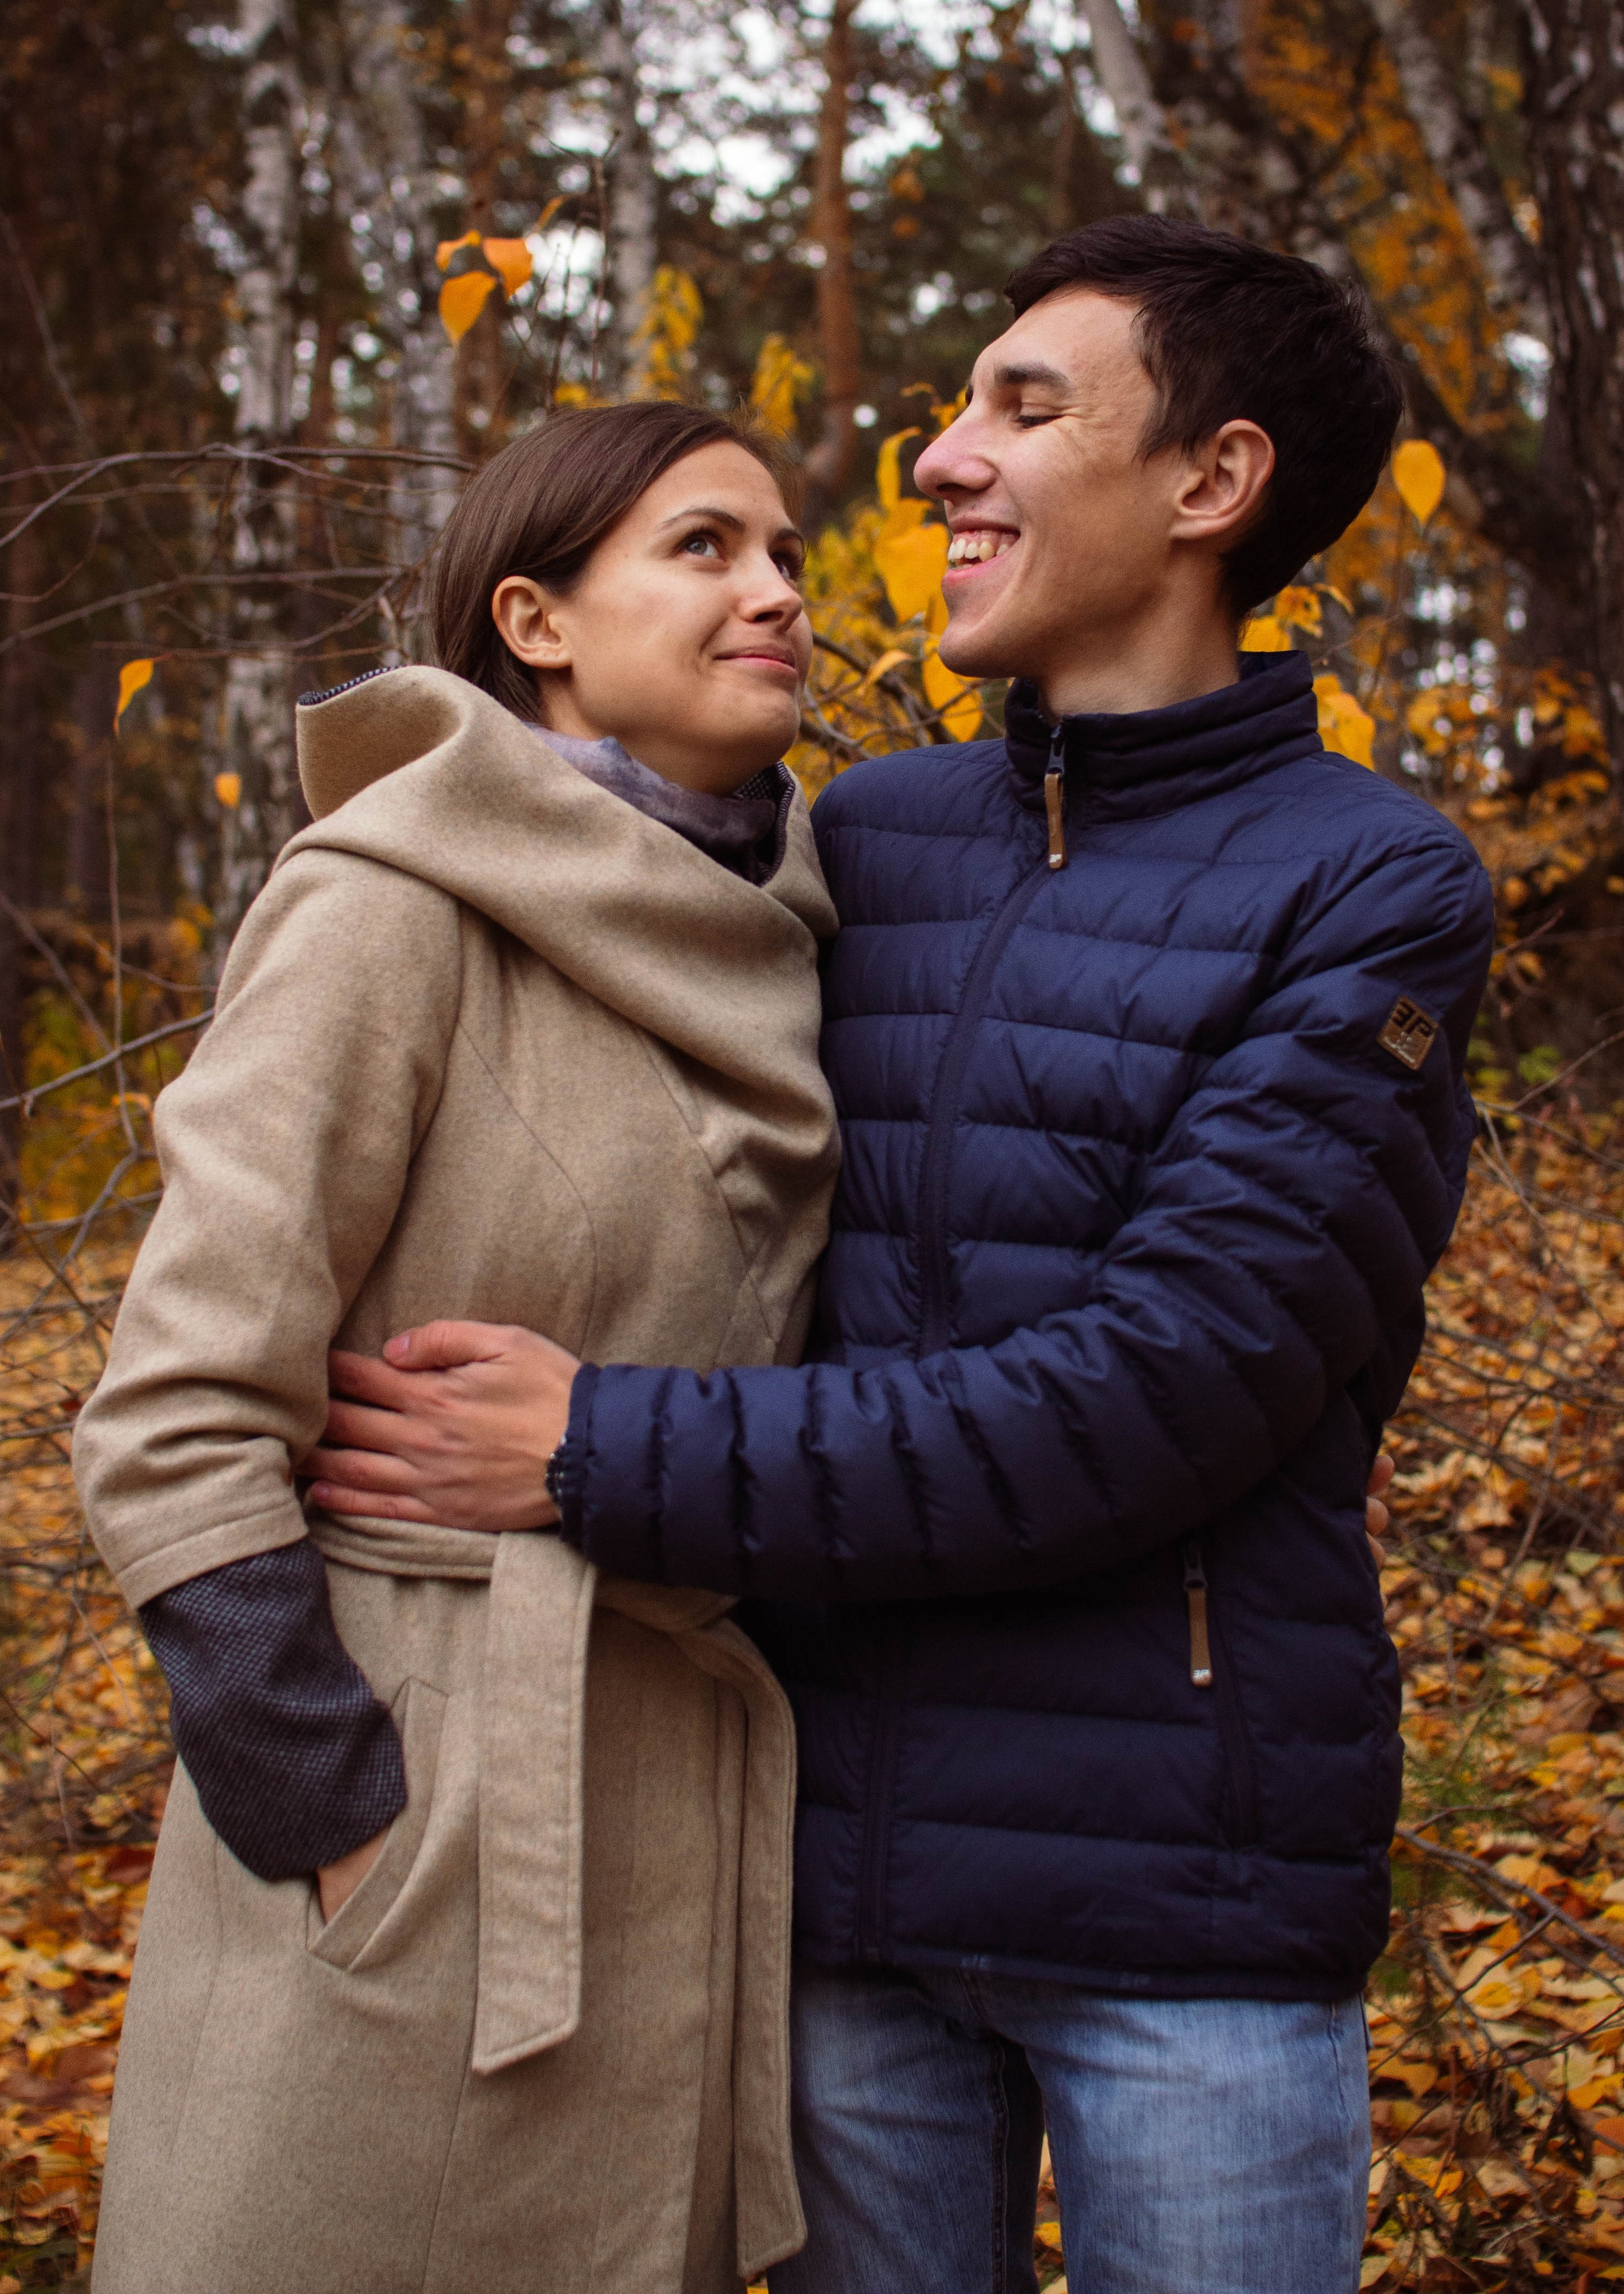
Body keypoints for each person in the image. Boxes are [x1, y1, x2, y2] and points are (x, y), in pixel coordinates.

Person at [308, 218, 1497, 2294]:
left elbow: (1160, 1399)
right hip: (829, 1892)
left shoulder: (1371, 888)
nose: (940, 460)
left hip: (1183, 1917)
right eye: (956, 406)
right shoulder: (859, 842)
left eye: (1024, 409)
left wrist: (598, 1449)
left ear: (1213, 486)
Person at [71, 400, 841, 2294]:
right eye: (707, 547)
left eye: (792, 556)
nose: (781, 596)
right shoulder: (386, 910)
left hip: (678, 1804)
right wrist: (345, 1823)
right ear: (538, 619)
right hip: (417, 1798)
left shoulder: (801, 943)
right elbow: (174, 1415)